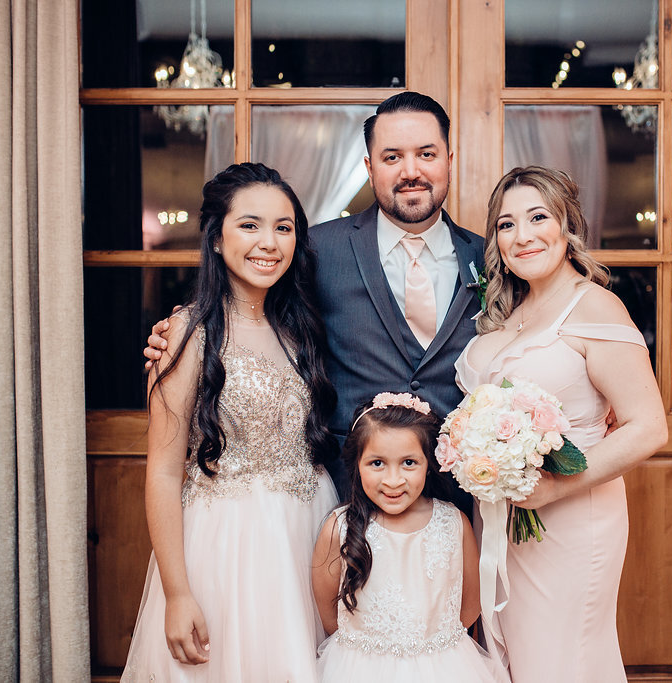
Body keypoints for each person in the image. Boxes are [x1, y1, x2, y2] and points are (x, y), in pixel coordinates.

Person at [145, 92, 484, 509]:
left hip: (464, 495)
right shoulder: (316, 250)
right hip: (346, 500)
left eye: (426, 154)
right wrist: (185, 329)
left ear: (450, 159)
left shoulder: (489, 259)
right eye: (392, 157)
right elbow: (253, 311)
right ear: (369, 167)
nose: (410, 171)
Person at [121, 163, 338, 682]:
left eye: (283, 228)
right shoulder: (186, 332)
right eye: (250, 225)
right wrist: (177, 593)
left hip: (306, 532)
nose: (269, 242)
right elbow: (163, 473)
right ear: (216, 238)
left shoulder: (299, 330)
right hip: (229, 544)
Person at [454, 166, 668, 682]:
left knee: (562, 658)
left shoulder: (596, 306)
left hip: (571, 519)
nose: (522, 236)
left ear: (566, 224)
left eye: (537, 217)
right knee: (519, 657)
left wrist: (554, 487)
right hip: (502, 518)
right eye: (506, 225)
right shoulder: (505, 314)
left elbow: (648, 427)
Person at [311, 393, 509, 683]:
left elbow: (468, 607)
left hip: (444, 668)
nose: (393, 480)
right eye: (377, 463)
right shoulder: (339, 528)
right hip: (359, 670)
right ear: (357, 464)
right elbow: (329, 614)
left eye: (409, 463)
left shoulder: (453, 522)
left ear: (428, 463)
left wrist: (431, 649)